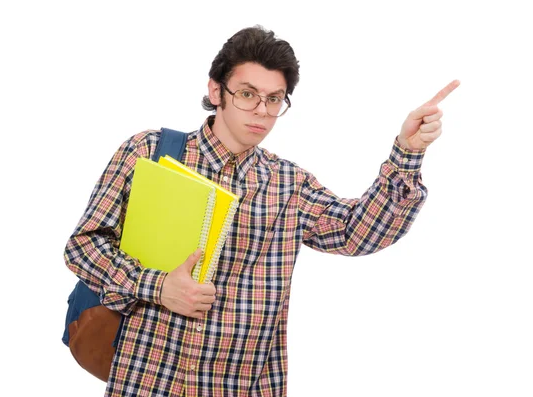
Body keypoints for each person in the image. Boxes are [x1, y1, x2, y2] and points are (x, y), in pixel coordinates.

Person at [64, 25, 459, 397]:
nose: (262, 111)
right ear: (216, 90)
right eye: (248, 94)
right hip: (149, 378)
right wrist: (159, 287)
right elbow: (82, 247)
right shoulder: (149, 151)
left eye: (274, 99)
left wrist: (408, 153)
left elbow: (359, 233)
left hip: (241, 383)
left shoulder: (289, 184)